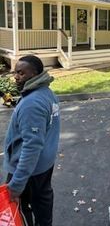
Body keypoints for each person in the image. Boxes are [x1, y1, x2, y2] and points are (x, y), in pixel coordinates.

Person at [3, 55, 60, 226]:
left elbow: (32, 146)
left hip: (27, 168)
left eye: (21, 73)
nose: (16, 76)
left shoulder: (32, 103)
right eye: (15, 72)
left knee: (18, 208)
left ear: (35, 74)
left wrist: (17, 184)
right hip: (44, 165)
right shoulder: (46, 93)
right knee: (43, 201)